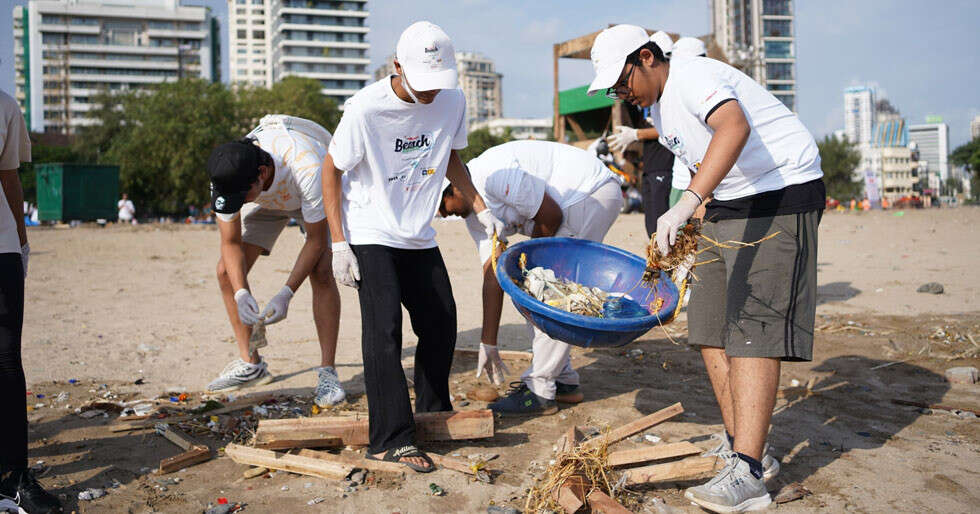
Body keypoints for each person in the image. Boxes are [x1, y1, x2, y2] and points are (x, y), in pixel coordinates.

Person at [589, 25, 825, 512]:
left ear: (648, 57)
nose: (622, 94)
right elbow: (703, 163)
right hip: (729, 203)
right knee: (710, 323)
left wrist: (687, 202)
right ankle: (742, 442)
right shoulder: (659, 107)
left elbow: (734, 127)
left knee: (753, 328)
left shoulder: (692, 76)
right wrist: (688, 233)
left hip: (779, 197)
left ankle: (749, 472)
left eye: (622, 81)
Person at [321, 21, 503, 473]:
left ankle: (432, 413)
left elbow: (450, 155)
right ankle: (391, 438)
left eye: (439, 85)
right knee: (384, 333)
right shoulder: (365, 109)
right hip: (369, 229)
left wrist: (480, 207)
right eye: (423, 84)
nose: (431, 94)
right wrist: (339, 242)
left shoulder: (452, 100)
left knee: (441, 322)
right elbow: (331, 169)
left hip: (418, 230)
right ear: (397, 67)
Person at [438, 140, 622, 415]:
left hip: (588, 192)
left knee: (548, 294)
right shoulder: (474, 218)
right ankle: (563, 381)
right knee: (536, 291)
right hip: (572, 205)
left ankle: (540, 389)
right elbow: (492, 275)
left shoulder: (491, 176)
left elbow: (551, 215)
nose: (444, 214)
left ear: (454, 186)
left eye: (443, 206)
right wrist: (489, 342)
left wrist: (532, 273)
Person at [205, 114, 345, 408]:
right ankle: (251, 363)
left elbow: (316, 241)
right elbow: (230, 242)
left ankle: (328, 372)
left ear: (262, 172)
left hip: (315, 193)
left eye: (242, 197)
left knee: (321, 271)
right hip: (272, 201)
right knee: (226, 274)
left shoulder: (306, 165)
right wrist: (241, 291)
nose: (238, 204)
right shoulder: (227, 176)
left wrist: (286, 292)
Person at [0, 91, 62, 512]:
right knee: (5, 360)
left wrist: (19, 242)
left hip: (1, 246)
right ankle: (15, 477)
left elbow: (9, 177)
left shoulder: (4, 105)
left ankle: (16, 477)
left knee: (6, 359)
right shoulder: (3, 103)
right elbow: (9, 178)